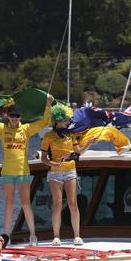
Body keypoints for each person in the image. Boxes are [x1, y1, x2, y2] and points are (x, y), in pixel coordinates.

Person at [0, 93, 53, 245]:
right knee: (9, 205)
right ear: (8, 116)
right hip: (7, 173)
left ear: (20, 117)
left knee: (26, 203)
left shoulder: (26, 129)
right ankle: (5, 237)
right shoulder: (1, 129)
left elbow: (45, 121)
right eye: (12, 116)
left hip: (22, 172)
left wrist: (48, 104)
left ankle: (33, 236)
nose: (15, 118)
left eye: (17, 116)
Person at [40, 104, 96, 246]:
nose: (68, 122)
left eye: (68, 119)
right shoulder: (48, 136)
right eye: (65, 119)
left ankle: (77, 236)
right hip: (55, 173)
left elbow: (78, 152)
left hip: (70, 171)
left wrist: (89, 143)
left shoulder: (71, 135)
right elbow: (43, 158)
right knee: (58, 203)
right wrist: (52, 164)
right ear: (57, 120)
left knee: (73, 203)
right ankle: (56, 236)